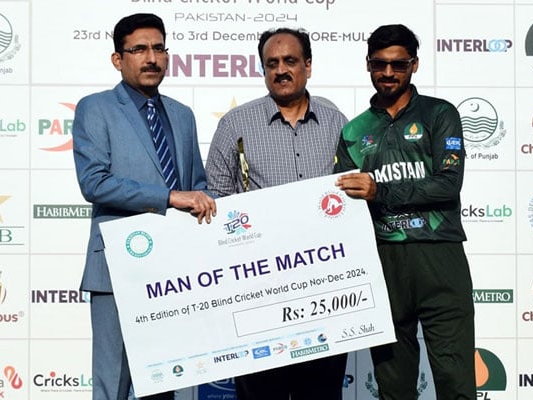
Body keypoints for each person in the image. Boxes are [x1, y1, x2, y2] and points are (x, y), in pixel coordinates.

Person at [72, 13, 216, 400]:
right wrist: (169, 197)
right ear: (118, 59)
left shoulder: (183, 115)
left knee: (162, 384)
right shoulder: (95, 108)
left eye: (158, 48)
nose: (151, 58)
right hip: (116, 271)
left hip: (172, 272)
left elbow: (196, 186)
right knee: (112, 385)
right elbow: (95, 182)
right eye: (139, 49)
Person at [205, 27, 348, 400]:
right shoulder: (234, 125)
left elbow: (350, 200)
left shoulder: (337, 124)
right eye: (272, 63)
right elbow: (215, 201)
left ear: (308, 66)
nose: (281, 70)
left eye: (290, 61)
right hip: (258, 293)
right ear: (263, 69)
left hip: (325, 289)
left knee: (321, 392)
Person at [334, 24, 475, 400]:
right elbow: (343, 211)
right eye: (380, 64)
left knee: (456, 381)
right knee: (393, 387)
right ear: (368, 65)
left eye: (399, 64)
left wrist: (379, 190)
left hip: (439, 255)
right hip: (384, 261)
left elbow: (448, 184)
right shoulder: (353, 131)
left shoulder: (439, 114)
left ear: (414, 65)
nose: (388, 73)